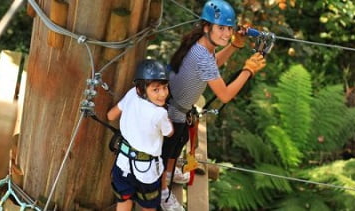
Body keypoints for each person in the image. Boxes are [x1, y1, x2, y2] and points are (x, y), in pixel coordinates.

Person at [159, 0, 268, 210]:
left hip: (178, 109)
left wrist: (235, 46)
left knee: (175, 148)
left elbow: (213, 64)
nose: (226, 33)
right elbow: (225, 95)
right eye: (221, 28)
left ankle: (170, 174)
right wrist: (248, 70)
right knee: (167, 152)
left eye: (229, 28)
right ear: (207, 27)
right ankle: (163, 192)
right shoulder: (202, 55)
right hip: (172, 112)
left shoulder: (202, 45)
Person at [107, 59, 174, 211]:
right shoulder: (159, 113)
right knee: (148, 206)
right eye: (156, 90)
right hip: (147, 171)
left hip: (123, 164)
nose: (163, 94)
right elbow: (169, 132)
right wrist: (167, 118)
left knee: (123, 201)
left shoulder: (132, 94)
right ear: (141, 89)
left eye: (165, 87)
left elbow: (111, 116)